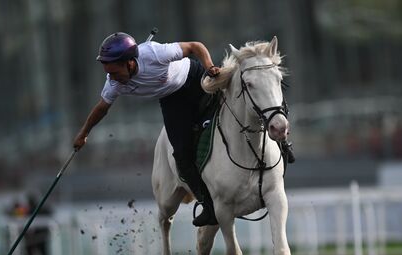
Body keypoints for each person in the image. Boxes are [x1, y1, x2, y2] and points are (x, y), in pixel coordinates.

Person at [73, 32, 295, 226]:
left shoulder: (153, 53)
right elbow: (101, 108)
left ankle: (283, 143)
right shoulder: (114, 83)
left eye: (114, 72)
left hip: (194, 78)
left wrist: (209, 67)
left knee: (242, 108)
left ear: (130, 62)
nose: (111, 78)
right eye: (108, 73)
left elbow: (194, 47)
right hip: (172, 100)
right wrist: (83, 134)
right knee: (180, 152)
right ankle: (208, 204)